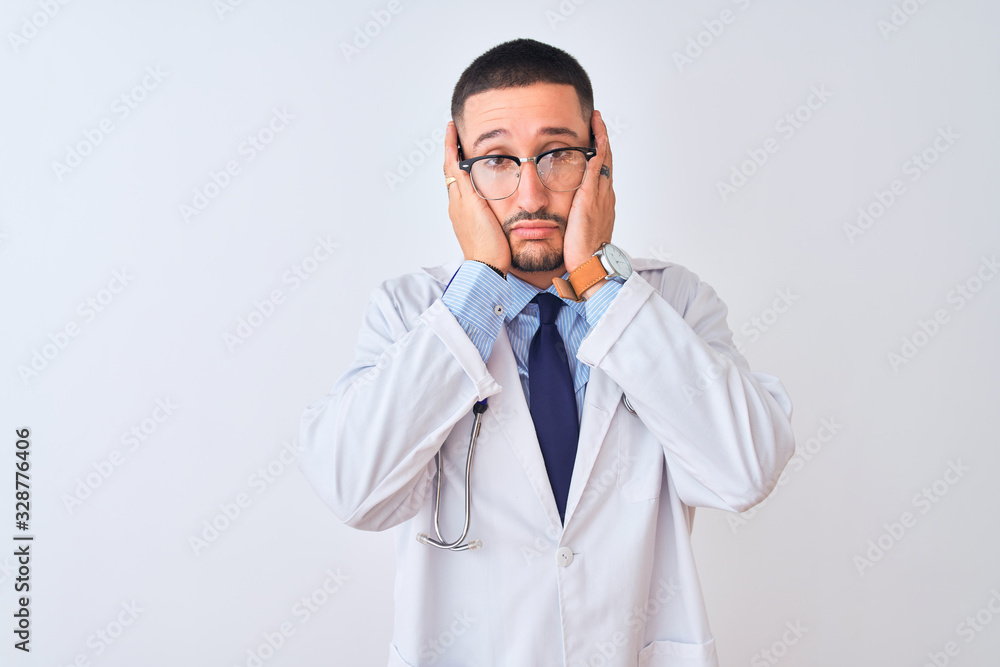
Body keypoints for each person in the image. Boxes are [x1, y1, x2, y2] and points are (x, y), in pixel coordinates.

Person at [299, 38, 795, 667]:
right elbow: (354, 488)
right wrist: (478, 286)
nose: (530, 193)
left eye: (557, 154)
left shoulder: (671, 303)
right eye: (497, 160)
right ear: (459, 175)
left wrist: (600, 283)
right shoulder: (410, 312)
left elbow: (745, 470)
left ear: (599, 159)